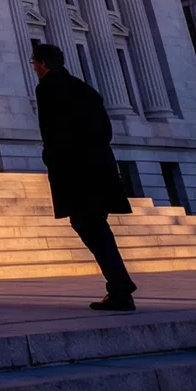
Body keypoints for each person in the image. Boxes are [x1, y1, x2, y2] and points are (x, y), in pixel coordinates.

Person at [33, 42, 138, 311]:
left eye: (35, 63)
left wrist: (52, 156)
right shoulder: (85, 89)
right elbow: (105, 131)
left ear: (43, 64)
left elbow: (53, 130)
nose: (34, 68)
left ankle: (120, 289)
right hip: (100, 167)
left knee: (89, 226)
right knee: (95, 226)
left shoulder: (48, 88)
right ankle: (120, 287)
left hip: (75, 171)